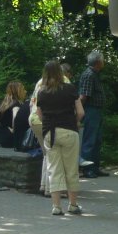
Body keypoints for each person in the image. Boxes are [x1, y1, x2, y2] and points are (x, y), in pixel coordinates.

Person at [36, 60, 86, 216]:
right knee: (71, 169)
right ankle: (73, 204)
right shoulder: (70, 89)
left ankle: (56, 207)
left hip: (50, 133)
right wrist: (75, 122)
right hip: (69, 131)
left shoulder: (42, 92)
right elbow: (81, 112)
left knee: (54, 169)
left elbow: (39, 114)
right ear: (60, 73)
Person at [79, 50, 108, 177]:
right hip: (90, 110)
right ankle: (87, 169)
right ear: (97, 62)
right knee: (89, 140)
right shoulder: (89, 75)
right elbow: (83, 96)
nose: (103, 62)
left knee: (97, 140)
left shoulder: (95, 74)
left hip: (96, 111)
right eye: (102, 60)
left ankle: (95, 167)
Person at [0, 81, 30, 149]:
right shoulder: (17, 105)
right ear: (18, 91)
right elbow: (15, 116)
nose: (25, 91)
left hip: (2, 139)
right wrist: (14, 130)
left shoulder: (4, 105)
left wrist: (1, 127)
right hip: (12, 140)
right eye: (23, 89)